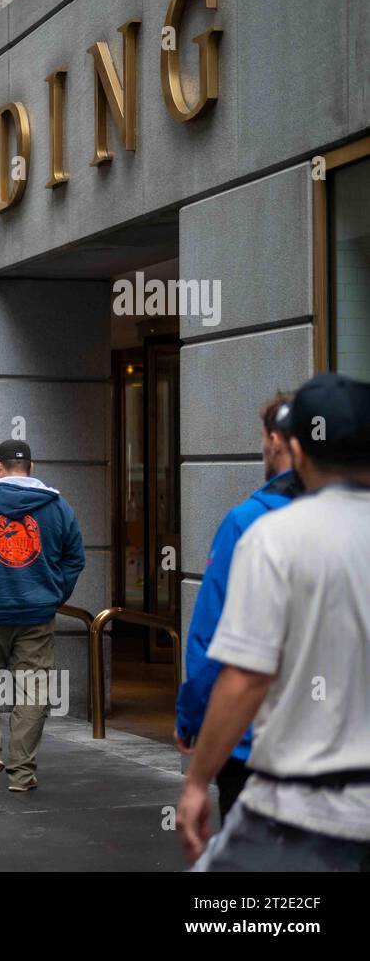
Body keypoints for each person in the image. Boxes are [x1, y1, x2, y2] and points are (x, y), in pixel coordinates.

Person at [178, 373, 370, 871]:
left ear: (296, 450)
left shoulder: (274, 536)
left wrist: (197, 779)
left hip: (300, 813)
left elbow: (245, 673)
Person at [175, 393, 301, 820]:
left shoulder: (247, 522)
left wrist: (193, 717)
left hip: (256, 744)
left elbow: (215, 641)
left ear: (276, 440)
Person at [0, 439, 85, 792]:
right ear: (32, 468)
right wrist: (54, 592)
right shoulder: (58, 507)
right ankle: (22, 773)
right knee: (33, 688)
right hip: (37, 612)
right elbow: (75, 557)